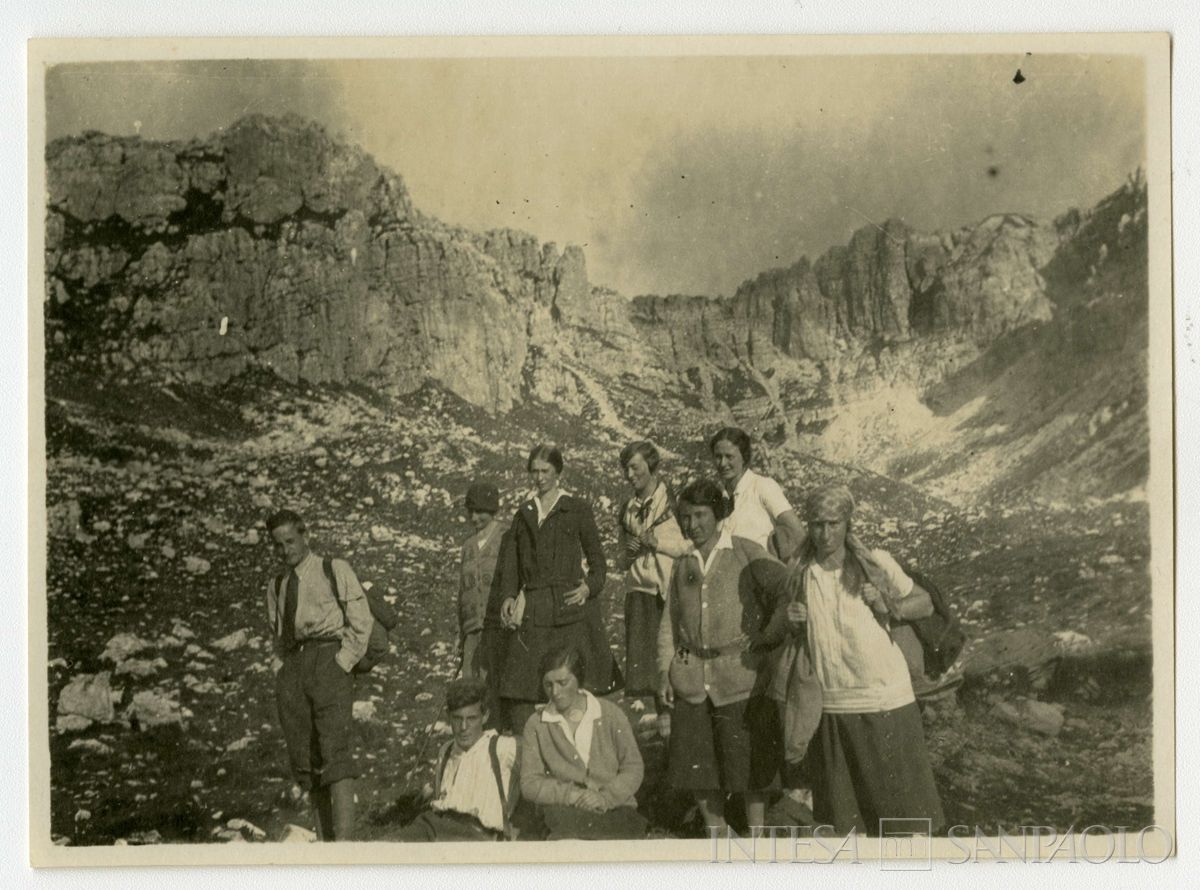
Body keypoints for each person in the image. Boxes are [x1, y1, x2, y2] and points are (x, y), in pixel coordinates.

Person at [786, 484, 945, 836]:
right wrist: (791, 618)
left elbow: (924, 603)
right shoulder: (800, 572)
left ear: (847, 524)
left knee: (902, 820)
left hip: (884, 700)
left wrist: (888, 605)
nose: (825, 533)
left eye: (833, 523)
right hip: (834, 704)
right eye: (816, 524)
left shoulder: (875, 563)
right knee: (849, 824)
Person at [656, 479, 791, 834]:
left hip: (740, 677)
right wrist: (663, 672)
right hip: (690, 677)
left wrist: (766, 638)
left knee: (745, 761)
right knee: (697, 762)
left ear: (718, 515)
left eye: (700, 515)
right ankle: (717, 830)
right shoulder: (682, 563)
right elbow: (670, 622)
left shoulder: (745, 551)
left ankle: (757, 833)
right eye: (685, 517)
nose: (692, 525)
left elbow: (786, 589)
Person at [265, 509, 373, 841]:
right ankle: (325, 842)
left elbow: (361, 619)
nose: (286, 550)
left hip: (329, 659)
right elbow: (279, 633)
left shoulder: (333, 569)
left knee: (335, 754)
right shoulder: (277, 584)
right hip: (295, 668)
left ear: (304, 536)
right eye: (278, 545)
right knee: (305, 758)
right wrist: (282, 670)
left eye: (291, 541)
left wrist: (343, 662)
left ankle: (343, 848)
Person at [498, 444, 621, 734]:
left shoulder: (576, 509)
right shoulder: (524, 513)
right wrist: (508, 595)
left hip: (569, 612)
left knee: (574, 688)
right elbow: (512, 564)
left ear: (558, 472)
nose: (539, 478)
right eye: (534, 472)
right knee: (522, 690)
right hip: (535, 611)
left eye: (545, 471)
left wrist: (588, 588)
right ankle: (532, 751)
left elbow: (599, 563)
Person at [520, 647, 647, 840]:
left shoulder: (610, 714)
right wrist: (571, 795)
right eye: (548, 685)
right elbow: (529, 783)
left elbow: (633, 767)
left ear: (578, 680)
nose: (555, 692)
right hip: (564, 813)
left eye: (563, 683)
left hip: (615, 809)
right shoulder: (537, 724)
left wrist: (605, 798)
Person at [615, 441, 688, 736]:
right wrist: (630, 551)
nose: (630, 474)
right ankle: (666, 732)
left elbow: (690, 546)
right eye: (626, 469)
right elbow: (621, 559)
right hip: (640, 594)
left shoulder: (673, 502)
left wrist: (658, 544)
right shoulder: (628, 509)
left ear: (651, 464)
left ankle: (682, 733)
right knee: (651, 672)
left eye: (635, 467)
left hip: (668, 591)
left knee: (675, 665)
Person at [397, 678, 519, 841]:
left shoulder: (502, 747)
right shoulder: (446, 750)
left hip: (475, 833)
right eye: (457, 718)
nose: (463, 727)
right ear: (448, 716)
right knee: (384, 847)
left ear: (485, 716)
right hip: (432, 825)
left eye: (471, 718)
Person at [708, 427, 803, 561]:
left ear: (744, 457)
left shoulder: (762, 486)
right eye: (718, 457)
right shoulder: (715, 496)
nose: (723, 463)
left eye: (729, 457)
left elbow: (797, 532)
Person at [458, 482, 504, 682]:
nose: (474, 518)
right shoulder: (468, 546)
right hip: (471, 631)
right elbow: (462, 592)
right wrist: (461, 633)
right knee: (471, 685)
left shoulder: (506, 537)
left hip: (497, 628)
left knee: (494, 683)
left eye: (480, 512)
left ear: (492, 510)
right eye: (471, 512)